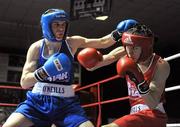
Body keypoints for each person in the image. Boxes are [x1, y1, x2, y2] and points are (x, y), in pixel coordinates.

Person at [2, 8, 137, 127]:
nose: (61, 29)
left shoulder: (72, 42)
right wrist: (45, 71)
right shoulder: (36, 48)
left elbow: (102, 42)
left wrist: (118, 33)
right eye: (56, 25)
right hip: (38, 102)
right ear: (46, 26)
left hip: (66, 104)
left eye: (63, 24)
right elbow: (24, 82)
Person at [78, 24, 170, 127]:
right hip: (135, 115)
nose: (130, 52)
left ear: (145, 47)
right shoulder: (125, 54)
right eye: (127, 47)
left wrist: (138, 79)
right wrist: (92, 60)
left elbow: (152, 104)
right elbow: (92, 67)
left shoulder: (160, 65)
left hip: (153, 115)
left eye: (134, 48)